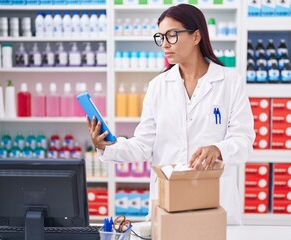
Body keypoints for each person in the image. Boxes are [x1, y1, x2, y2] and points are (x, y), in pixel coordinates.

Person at [86, 4, 255, 225]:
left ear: (196, 36)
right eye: (161, 37)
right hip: (168, 203)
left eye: (172, 36)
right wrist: (107, 145)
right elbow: (144, 145)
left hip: (214, 201)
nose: (165, 44)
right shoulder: (158, 86)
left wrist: (218, 149)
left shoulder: (230, 81)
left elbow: (244, 141)